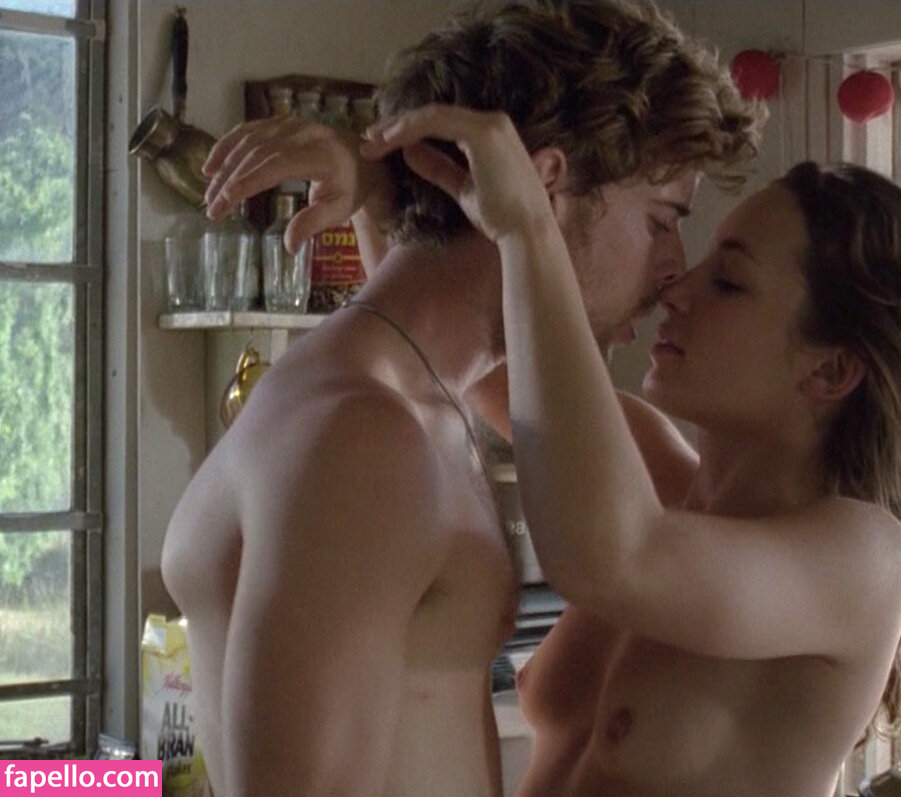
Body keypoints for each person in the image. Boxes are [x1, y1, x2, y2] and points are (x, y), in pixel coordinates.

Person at [160, 2, 760, 796]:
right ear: (545, 187)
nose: (674, 265)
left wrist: (377, 187)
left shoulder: (400, 391)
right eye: (661, 220)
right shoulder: (365, 437)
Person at [359, 105, 901, 796]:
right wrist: (374, 196)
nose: (677, 289)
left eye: (729, 282)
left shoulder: (865, 558)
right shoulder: (647, 467)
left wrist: (530, 227)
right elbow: (443, 356)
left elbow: (611, 557)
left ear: (829, 369)